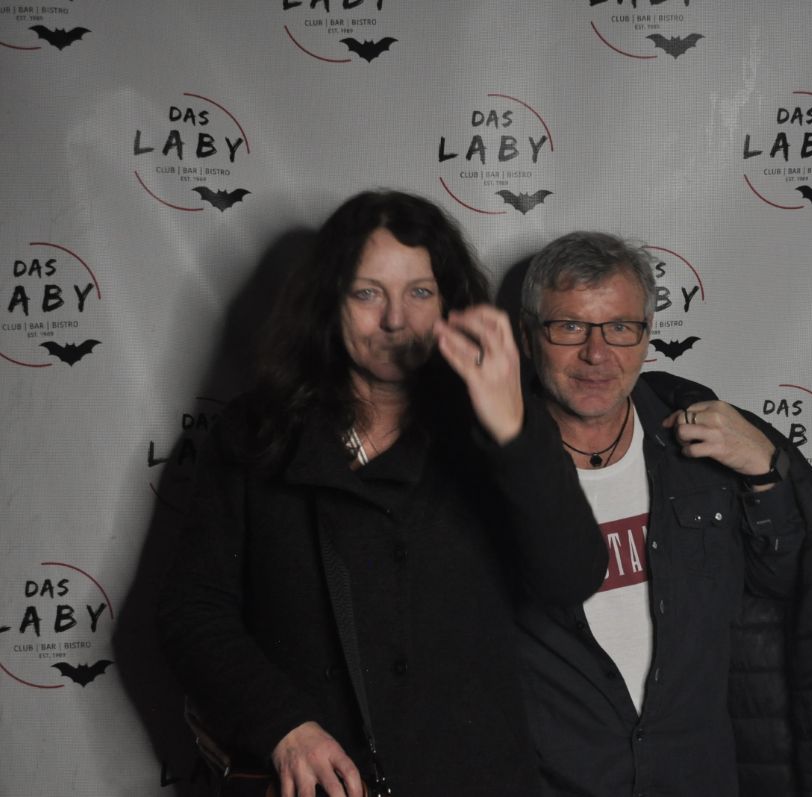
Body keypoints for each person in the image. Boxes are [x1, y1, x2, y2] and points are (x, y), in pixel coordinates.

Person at [157, 191, 606, 797]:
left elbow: (571, 576)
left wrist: (512, 432)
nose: (395, 320)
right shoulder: (255, 433)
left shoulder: (499, 424)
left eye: (419, 292)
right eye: (367, 293)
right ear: (328, 300)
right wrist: (283, 726)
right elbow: (192, 612)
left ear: (448, 302)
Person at [516, 231, 812, 797]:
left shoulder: (704, 445)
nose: (597, 353)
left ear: (647, 335)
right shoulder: (489, 466)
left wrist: (767, 471)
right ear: (528, 337)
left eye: (620, 328)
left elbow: (790, 591)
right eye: (570, 327)